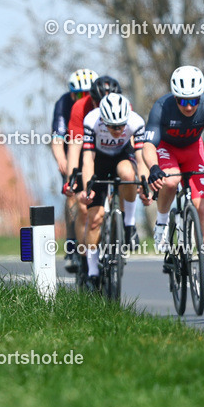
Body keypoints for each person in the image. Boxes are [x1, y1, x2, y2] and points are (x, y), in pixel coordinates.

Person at [143, 66, 204, 297]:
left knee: (201, 206)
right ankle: (162, 222)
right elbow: (149, 145)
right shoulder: (162, 107)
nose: (189, 106)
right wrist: (153, 168)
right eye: (183, 102)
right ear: (175, 97)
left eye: (193, 100)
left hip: (194, 151)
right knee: (170, 183)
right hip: (167, 149)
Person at [78, 93, 150, 292]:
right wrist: (87, 189)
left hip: (122, 155)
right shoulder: (91, 121)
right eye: (113, 126)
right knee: (94, 218)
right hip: (98, 160)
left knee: (128, 173)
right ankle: (92, 271)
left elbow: (141, 158)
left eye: (121, 126)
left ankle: (129, 225)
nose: (118, 130)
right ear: (103, 120)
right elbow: (87, 160)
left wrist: (145, 185)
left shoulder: (136, 122)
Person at [65, 76, 142, 259]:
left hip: (118, 153)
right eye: (98, 102)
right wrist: (71, 179)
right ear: (92, 100)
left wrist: (135, 177)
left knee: (126, 174)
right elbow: (76, 148)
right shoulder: (81, 109)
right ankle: (83, 257)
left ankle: (125, 225)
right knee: (85, 207)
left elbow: (131, 142)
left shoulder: (123, 108)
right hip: (91, 153)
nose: (103, 105)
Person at [52, 69, 97, 273]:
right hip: (74, 151)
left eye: (88, 94)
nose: (85, 99)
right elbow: (57, 138)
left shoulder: (100, 105)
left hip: (96, 152)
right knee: (72, 194)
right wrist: (61, 159)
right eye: (80, 95)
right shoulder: (64, 104)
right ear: (72, 95)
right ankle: (71, 244)